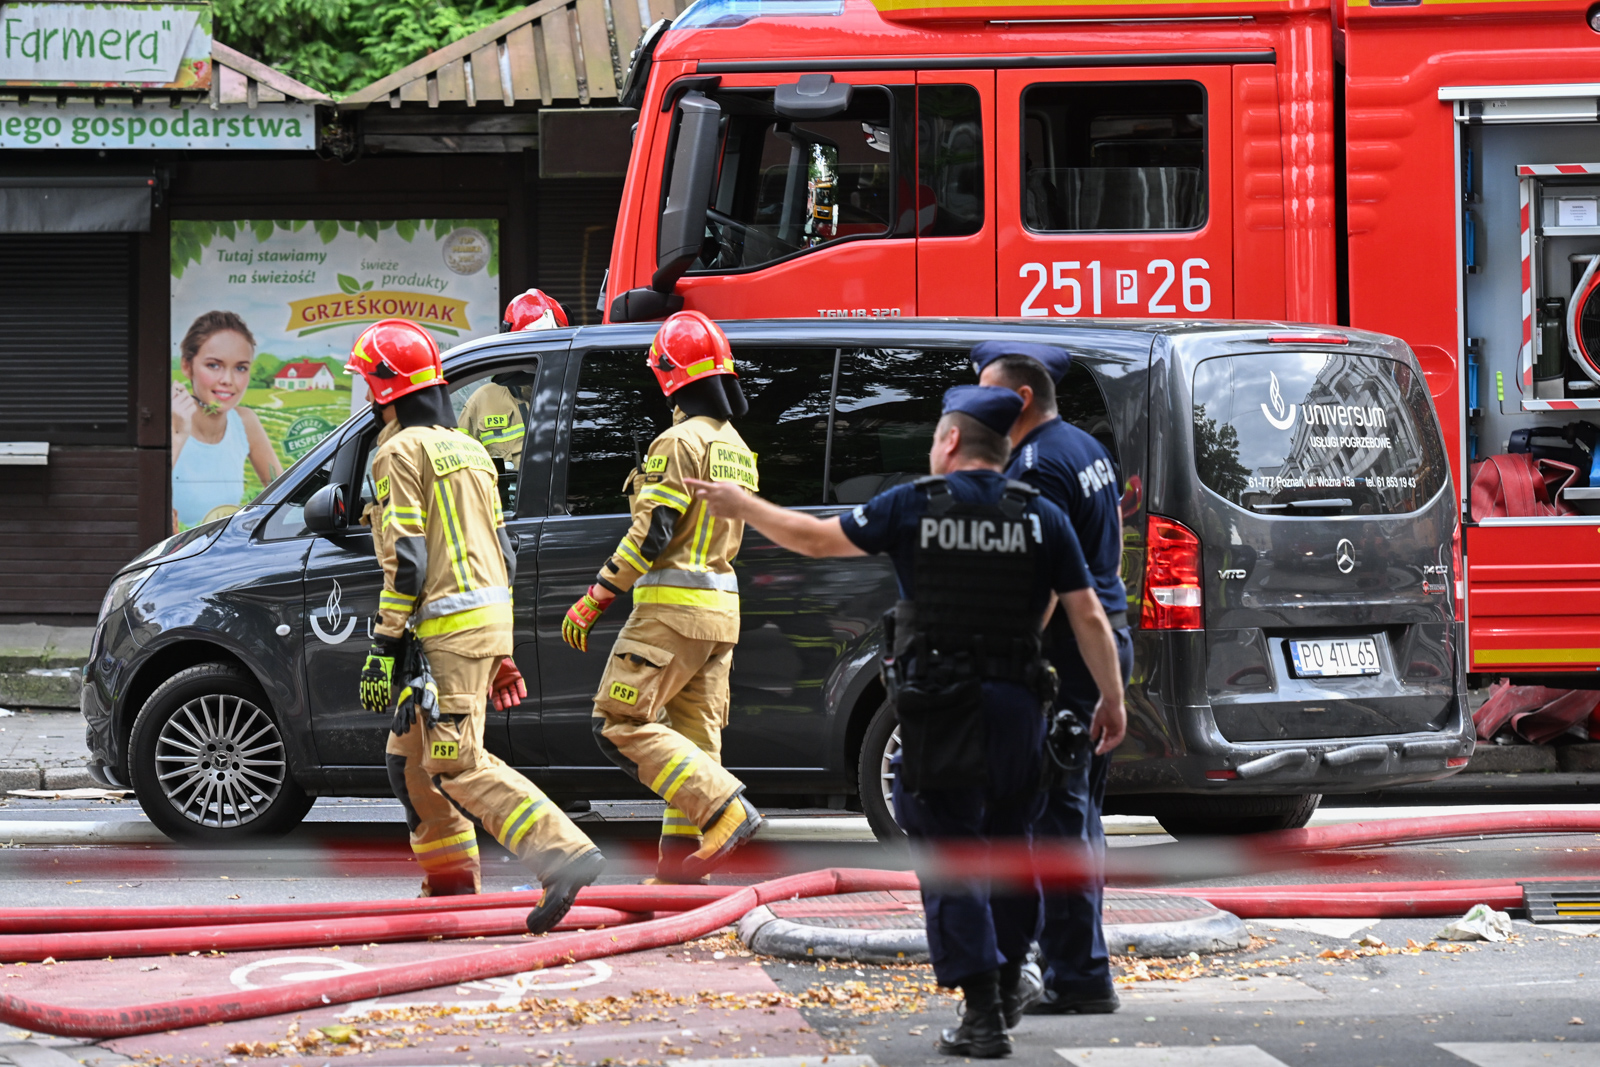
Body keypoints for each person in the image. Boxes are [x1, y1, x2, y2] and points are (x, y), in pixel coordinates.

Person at [688, 384, 1127, 1059]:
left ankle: (983, 1014)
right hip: (1018, 709)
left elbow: (814, 539)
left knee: (952, 858)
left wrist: (741, 505)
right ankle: (1011, 979)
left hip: (940, 711)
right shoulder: (1040, 515)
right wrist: (1111, 699)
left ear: (950, 441)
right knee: (1014, 849)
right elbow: (1089, 613)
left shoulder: (916, 505)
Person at [347, 318, 604, 931]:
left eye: (366, 381)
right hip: (479, 626)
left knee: (456, 764)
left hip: (444, 632)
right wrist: (503, 648)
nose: (363, 394)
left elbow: (405, 558)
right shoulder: (470, 450)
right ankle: (451, 890)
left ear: (386, 388)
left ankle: (562, 854)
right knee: (408, 761)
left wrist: (384, 644)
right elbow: (503, 553)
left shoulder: (396, 454)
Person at [561, 310, 765, 885]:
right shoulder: (736, 447)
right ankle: (681, 872)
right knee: (692, 745)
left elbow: (652, 530)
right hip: (720, 615)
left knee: (618, 722)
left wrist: (596, 596)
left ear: (672, 375)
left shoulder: (678, 442)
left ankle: (724, 808)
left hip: (671, 614)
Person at [972, 341, 1133, 1017]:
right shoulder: (1086, 450)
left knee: (1057, 822)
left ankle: (1078, 975)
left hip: (1065, 657)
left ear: (1021, 398)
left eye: (987, 393)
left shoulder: (1037, 466)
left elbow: (1043, 583)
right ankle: (1076, 964)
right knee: (1079, 815)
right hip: (1099, 649)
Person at [171, 310, 281, 532]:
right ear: (186, 366)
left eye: (240, 368)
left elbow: (282, 490)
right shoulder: (170, 422)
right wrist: (179, 434)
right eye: (213, 365)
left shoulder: (245, 421)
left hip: (226, 555)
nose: (228, 380)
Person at [459, 290, 572, 467]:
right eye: (535, 344)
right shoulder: (483, 402)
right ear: (512, 344)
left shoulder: (575, 396)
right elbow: (459, 466)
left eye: (552, 344)